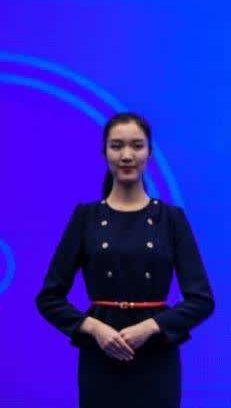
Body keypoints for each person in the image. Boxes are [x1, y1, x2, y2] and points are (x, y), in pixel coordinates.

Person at [36, 112, 214, 408]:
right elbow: (49, 298)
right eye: (117, 146)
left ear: (149, 153)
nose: (127, 155)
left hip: (156, 356)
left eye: (137, 146)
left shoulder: (171, 219)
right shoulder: (86, 217)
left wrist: (150, 327)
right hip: (100, 356)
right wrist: (94, 328)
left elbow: (201, 300)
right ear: (104, 152)